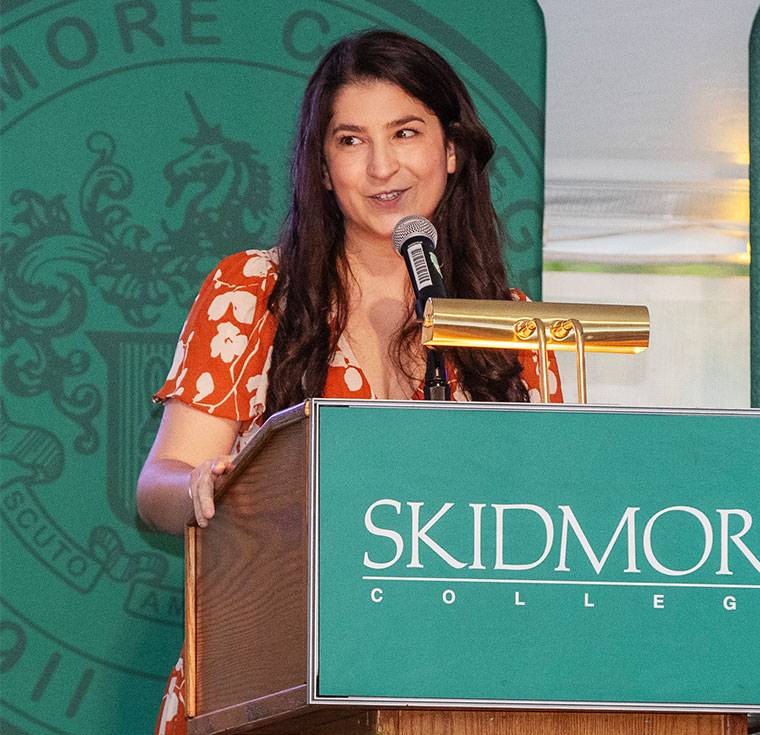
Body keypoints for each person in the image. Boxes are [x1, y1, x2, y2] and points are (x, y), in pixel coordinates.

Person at [137, 29, 561, 733]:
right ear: (323, 166)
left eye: (405, 132)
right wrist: (204, 487)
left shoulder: (510, 329)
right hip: (271, 676)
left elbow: (548, 519)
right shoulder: (252, 292)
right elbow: (160, 483)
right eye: (351, 140)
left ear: (451, 150)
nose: (382, 165)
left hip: (460, 682)